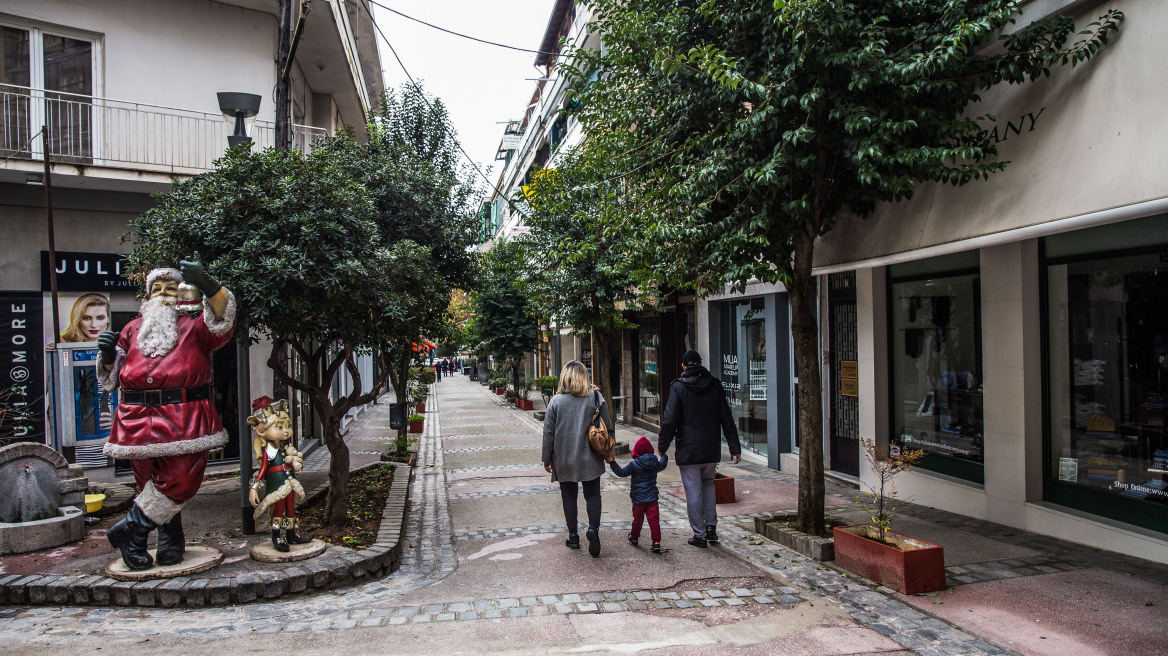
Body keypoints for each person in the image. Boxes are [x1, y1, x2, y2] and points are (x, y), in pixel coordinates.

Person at [96, 256, 235, 570]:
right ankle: (169, 541)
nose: (162, 293)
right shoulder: (132, 329)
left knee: (180, 480)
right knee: (149, 482)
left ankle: (129, 530)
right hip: (134, 418)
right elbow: (111, 376)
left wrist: (208, 283)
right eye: (156, 288)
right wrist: (106, 355)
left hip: (183, 416)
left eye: (170, 288)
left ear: (182, 292)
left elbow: (223, 320)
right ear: (147, 296)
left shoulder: (196, 325)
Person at [657, 350, 741, 548]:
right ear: (701, 363)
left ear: (683, 366)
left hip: (688, 449)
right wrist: (734, 447)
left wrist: (662, 446)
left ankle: (699, 534)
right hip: (710, 448)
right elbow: (726, 417)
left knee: (693, 490)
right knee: (708, 485)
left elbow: (669, 420)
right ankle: (711, 527)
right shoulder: (715, 385)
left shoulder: (678, 387)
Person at [542, 360, 611, 557]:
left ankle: (573, 537)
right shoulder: (595, 397)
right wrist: (608, 450)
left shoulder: (556, 401)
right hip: (591, 456)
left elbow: (548, 432)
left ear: (565, 377)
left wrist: (547, 458)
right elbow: (607, 426)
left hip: (563, 456)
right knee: (593, 494)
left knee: (569, 496)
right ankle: (593, 529)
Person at [247, 396, 311, 552]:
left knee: (290, 508)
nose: (286, 431)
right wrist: (254, 488)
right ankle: (276, 536)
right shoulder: (268, 451)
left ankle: (291, 534)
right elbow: (263, 469)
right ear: (262, 431)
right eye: (280, 427)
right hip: (278, 485)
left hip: (289, 483)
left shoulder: (283, 448)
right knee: (278, 509)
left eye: (287, 426)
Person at [60, 293, 114, 435]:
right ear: (77, 319)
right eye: (86, 318)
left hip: (107, 431)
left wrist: (116, 417)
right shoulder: (61, 348)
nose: (94, 324)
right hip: (73, 427)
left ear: (108, 319)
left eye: (100, 318)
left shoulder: (117, 349)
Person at [606, 436, 668, 554]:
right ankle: (656, 542)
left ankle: (634, 537)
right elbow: (663, 464)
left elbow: (621, 473)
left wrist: (612, 462)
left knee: (637, 520)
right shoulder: (654, 463)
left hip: (638, 499)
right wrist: (664, 455)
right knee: (654, 520)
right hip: (652, 499)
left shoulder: (634, 464)